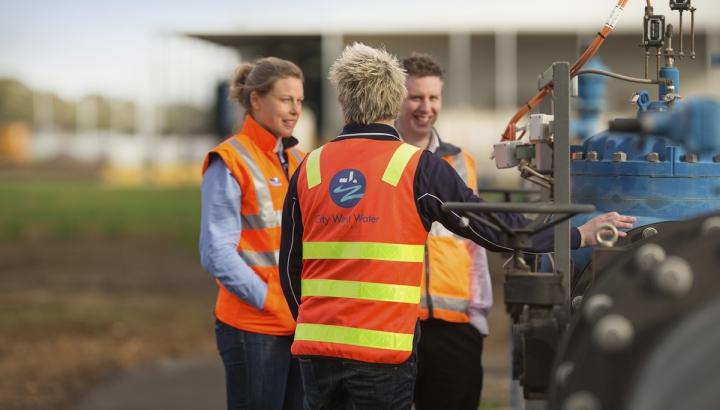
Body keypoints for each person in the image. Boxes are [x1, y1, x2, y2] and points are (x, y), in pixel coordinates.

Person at [278, 43, 635, 410]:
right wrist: (578, 233)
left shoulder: (311, 165)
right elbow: (496, 230)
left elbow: (289, 265)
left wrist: (310, 322)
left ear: (344, 99)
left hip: (316, 349)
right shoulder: (416, 166)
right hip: (382, 349)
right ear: (395, 99)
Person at [199, 57, 306, 410]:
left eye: (300, 101)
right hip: (253, 326)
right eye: (286, 100)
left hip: (298, 324)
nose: (295, 111)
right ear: (257, 100)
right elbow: (216, 253)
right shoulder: (229, 160)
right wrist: (271, 301)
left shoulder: (300, 160)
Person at [395, 52, 490, 410]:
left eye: (433, 97)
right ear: (397, 99)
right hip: (397, 320)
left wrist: (478, 316)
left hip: (454, 323)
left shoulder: (460, 162)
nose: (425, 107)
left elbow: (474, 244)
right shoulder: (384, 159)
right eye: (415, 97)